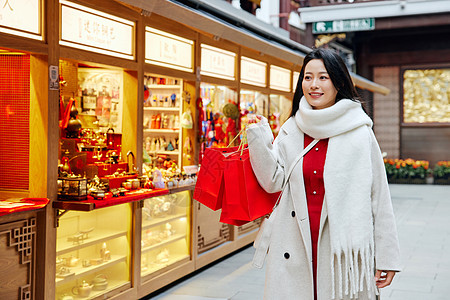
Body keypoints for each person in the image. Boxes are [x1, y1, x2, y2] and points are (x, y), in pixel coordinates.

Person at [247, 48, 401, 300]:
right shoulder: (292, 128)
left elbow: (380, 198)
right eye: (307, 77)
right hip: (294, 243)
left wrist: (387, 256)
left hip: (342, 250)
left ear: (338, 82)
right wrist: (257, 136)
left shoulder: (360, 131)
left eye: (323, 77)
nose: (313, 85)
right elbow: (272, 181)